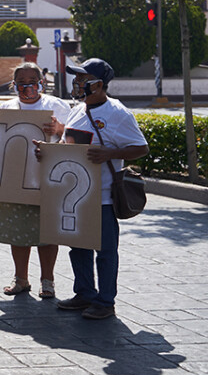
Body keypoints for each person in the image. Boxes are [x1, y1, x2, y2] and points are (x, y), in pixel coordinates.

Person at [52, 58, 148, 320]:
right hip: (75, 194)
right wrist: (47, 152)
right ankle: (84, 293)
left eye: (83, 79)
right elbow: (66, 144)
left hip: (103, 195)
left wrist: (111, 153)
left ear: (98, 84)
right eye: (77, 78)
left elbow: (141, 147)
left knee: (105, 251)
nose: (77, 83)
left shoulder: (118, 113)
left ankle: (106, 301)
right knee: (78, 247)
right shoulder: (77, 110)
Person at [0, 62, 70, 298]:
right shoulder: (5, 109)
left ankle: (48, 280)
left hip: (48, 180)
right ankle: (21, 279)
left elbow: (75, 136)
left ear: (41, 83)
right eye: (21, 82)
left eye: (32, 81)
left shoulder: (56, 106)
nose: (27, 87)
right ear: (13, 85)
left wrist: (59, 129)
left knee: (47, 233)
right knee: (19, 231)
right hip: (14, 180)